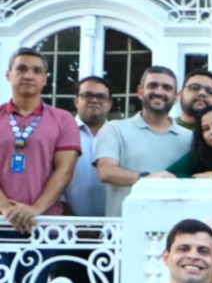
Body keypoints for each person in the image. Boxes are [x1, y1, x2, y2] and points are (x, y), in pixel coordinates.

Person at [2, 48, 80, 231]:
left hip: (47, 226)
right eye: (21, 69)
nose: (29, 76)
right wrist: (6, 208)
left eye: (37, 71)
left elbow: (65, 170)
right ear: (8, 75)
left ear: (44, 80)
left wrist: (35, 208)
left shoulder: (63, 119)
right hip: (2, 223)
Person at [95, 65, 184, 217]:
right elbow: (106, 171)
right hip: (122, 231)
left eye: (167, 87)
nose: (159, 92)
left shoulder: (190, 138)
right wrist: (146, 179)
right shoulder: (114, 129)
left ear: (176, 97)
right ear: (140, 91)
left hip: (175, 233)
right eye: (153, 85)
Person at [65, 74, 110, 218]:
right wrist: (70, 219)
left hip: (114, 226)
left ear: (109, 104)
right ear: (76, 101)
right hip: (66, 225)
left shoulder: (120, 135)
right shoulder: (62, 133)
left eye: (101, 96)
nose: (94, 100)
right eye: (87, 95)